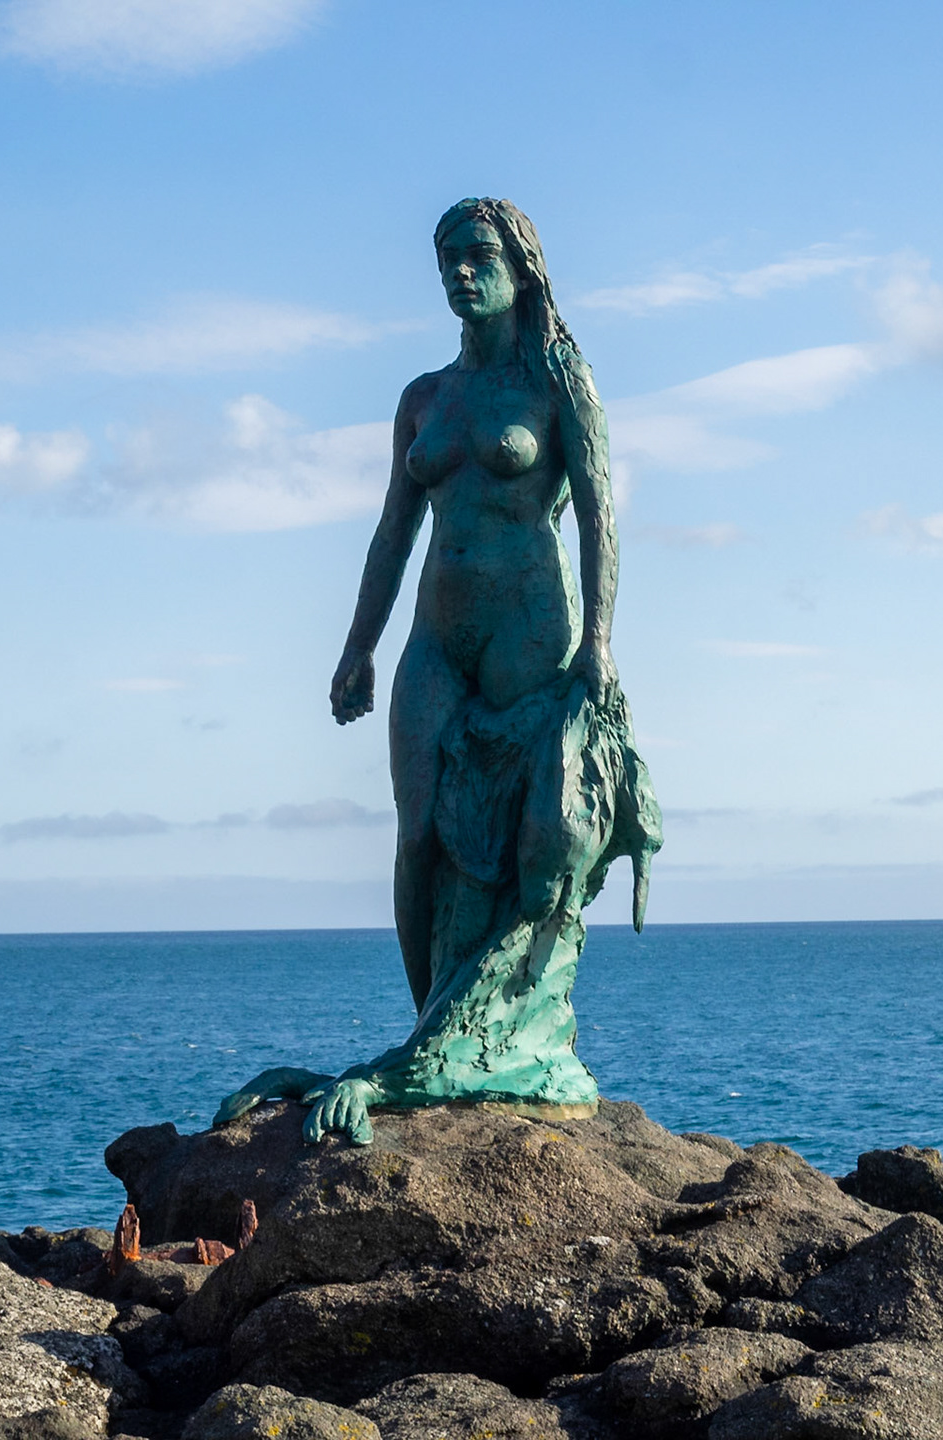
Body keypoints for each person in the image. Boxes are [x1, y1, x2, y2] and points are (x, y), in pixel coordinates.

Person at [217, 199, 659, 1144]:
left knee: (529, 849)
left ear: (522, 267)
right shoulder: (423, 398)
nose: (462, 271)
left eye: (480, 255)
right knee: (419, 836)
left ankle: (495, 1039)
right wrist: (356, 645)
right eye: (448, 259)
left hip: (533, 633)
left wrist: (603, 641)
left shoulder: (557, 379)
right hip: (436, 639)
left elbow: (599, 514)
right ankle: (432, 1035)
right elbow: (391, 531)